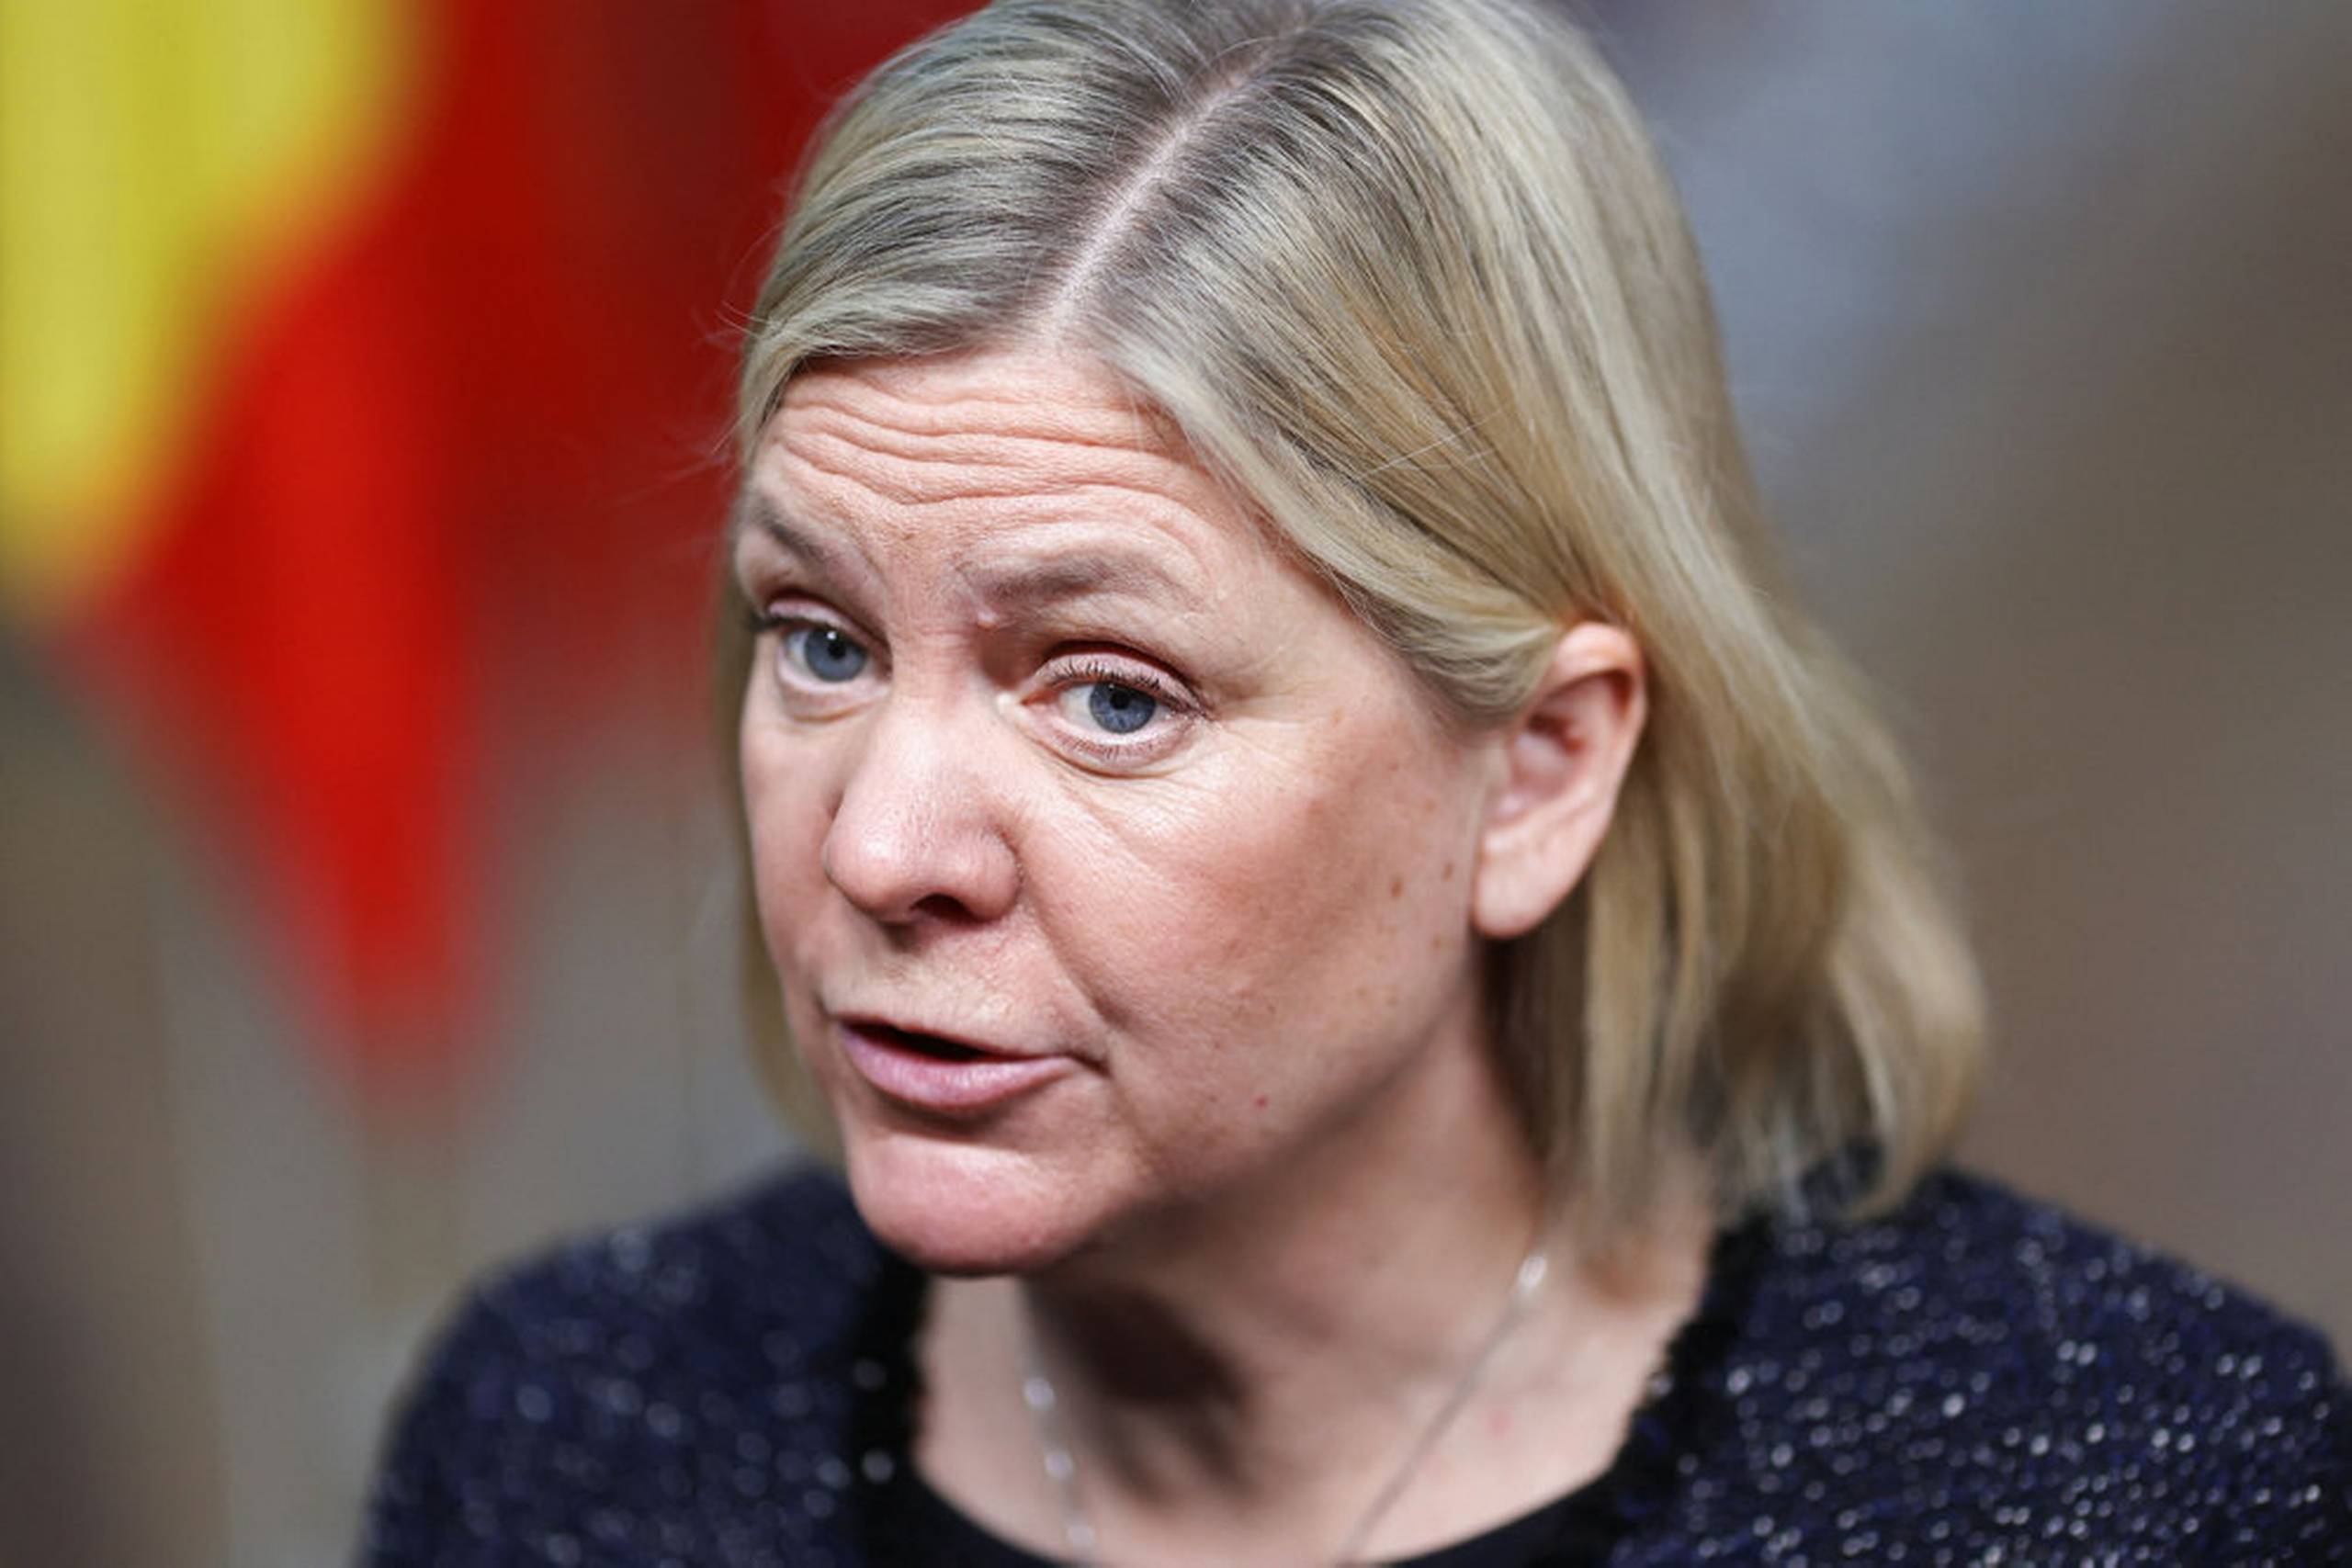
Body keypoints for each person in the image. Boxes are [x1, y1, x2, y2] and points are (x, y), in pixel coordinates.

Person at [361, 1, 2350, 1562]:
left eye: (1111, 696)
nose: (879, 847)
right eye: (821, 640)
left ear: (1541, 770)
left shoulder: (2112, 1489)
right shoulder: (567, 1441)